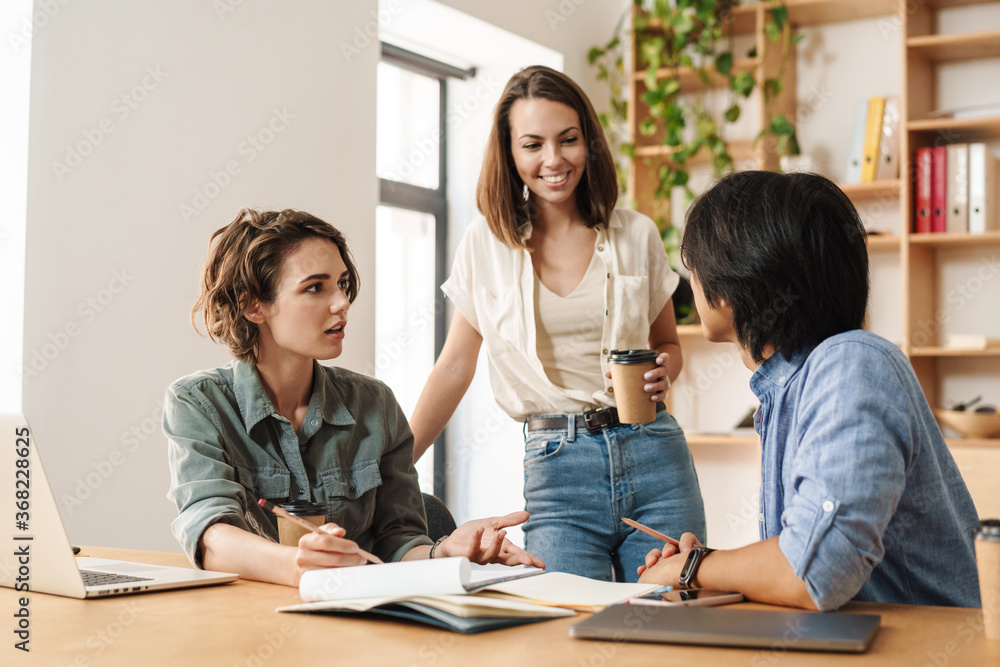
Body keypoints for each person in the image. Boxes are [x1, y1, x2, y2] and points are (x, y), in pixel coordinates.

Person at [408, 65, 706, 582]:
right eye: (532, 145)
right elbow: (455, 366)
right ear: (509, 153)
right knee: (564, 626)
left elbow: (667, 346)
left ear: (588, 142)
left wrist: (665, 371)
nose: (553, 160)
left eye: (568, 140)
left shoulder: (637, 233)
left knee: (672, 623)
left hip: (654, 452)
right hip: (557, 468)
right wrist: (394, 464)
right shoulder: (487, 244)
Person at [638, 170, 981, 610]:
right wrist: (704, 571)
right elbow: (802, 570)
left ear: (730, 286)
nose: (693, 283)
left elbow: (817, 572)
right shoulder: (790, 387)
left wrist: (693, 567)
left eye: (695, 269)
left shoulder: (852, 364)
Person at [164, 208, 544, 587]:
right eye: (315, 287)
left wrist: (444, 552)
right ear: (253, 306)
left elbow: (400, 545)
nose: (342, 302)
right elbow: (210, 535)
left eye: (342, 284)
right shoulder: (198, 404)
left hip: (358, 624)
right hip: (249, 625)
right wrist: (302, 564)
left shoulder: (375, 403)